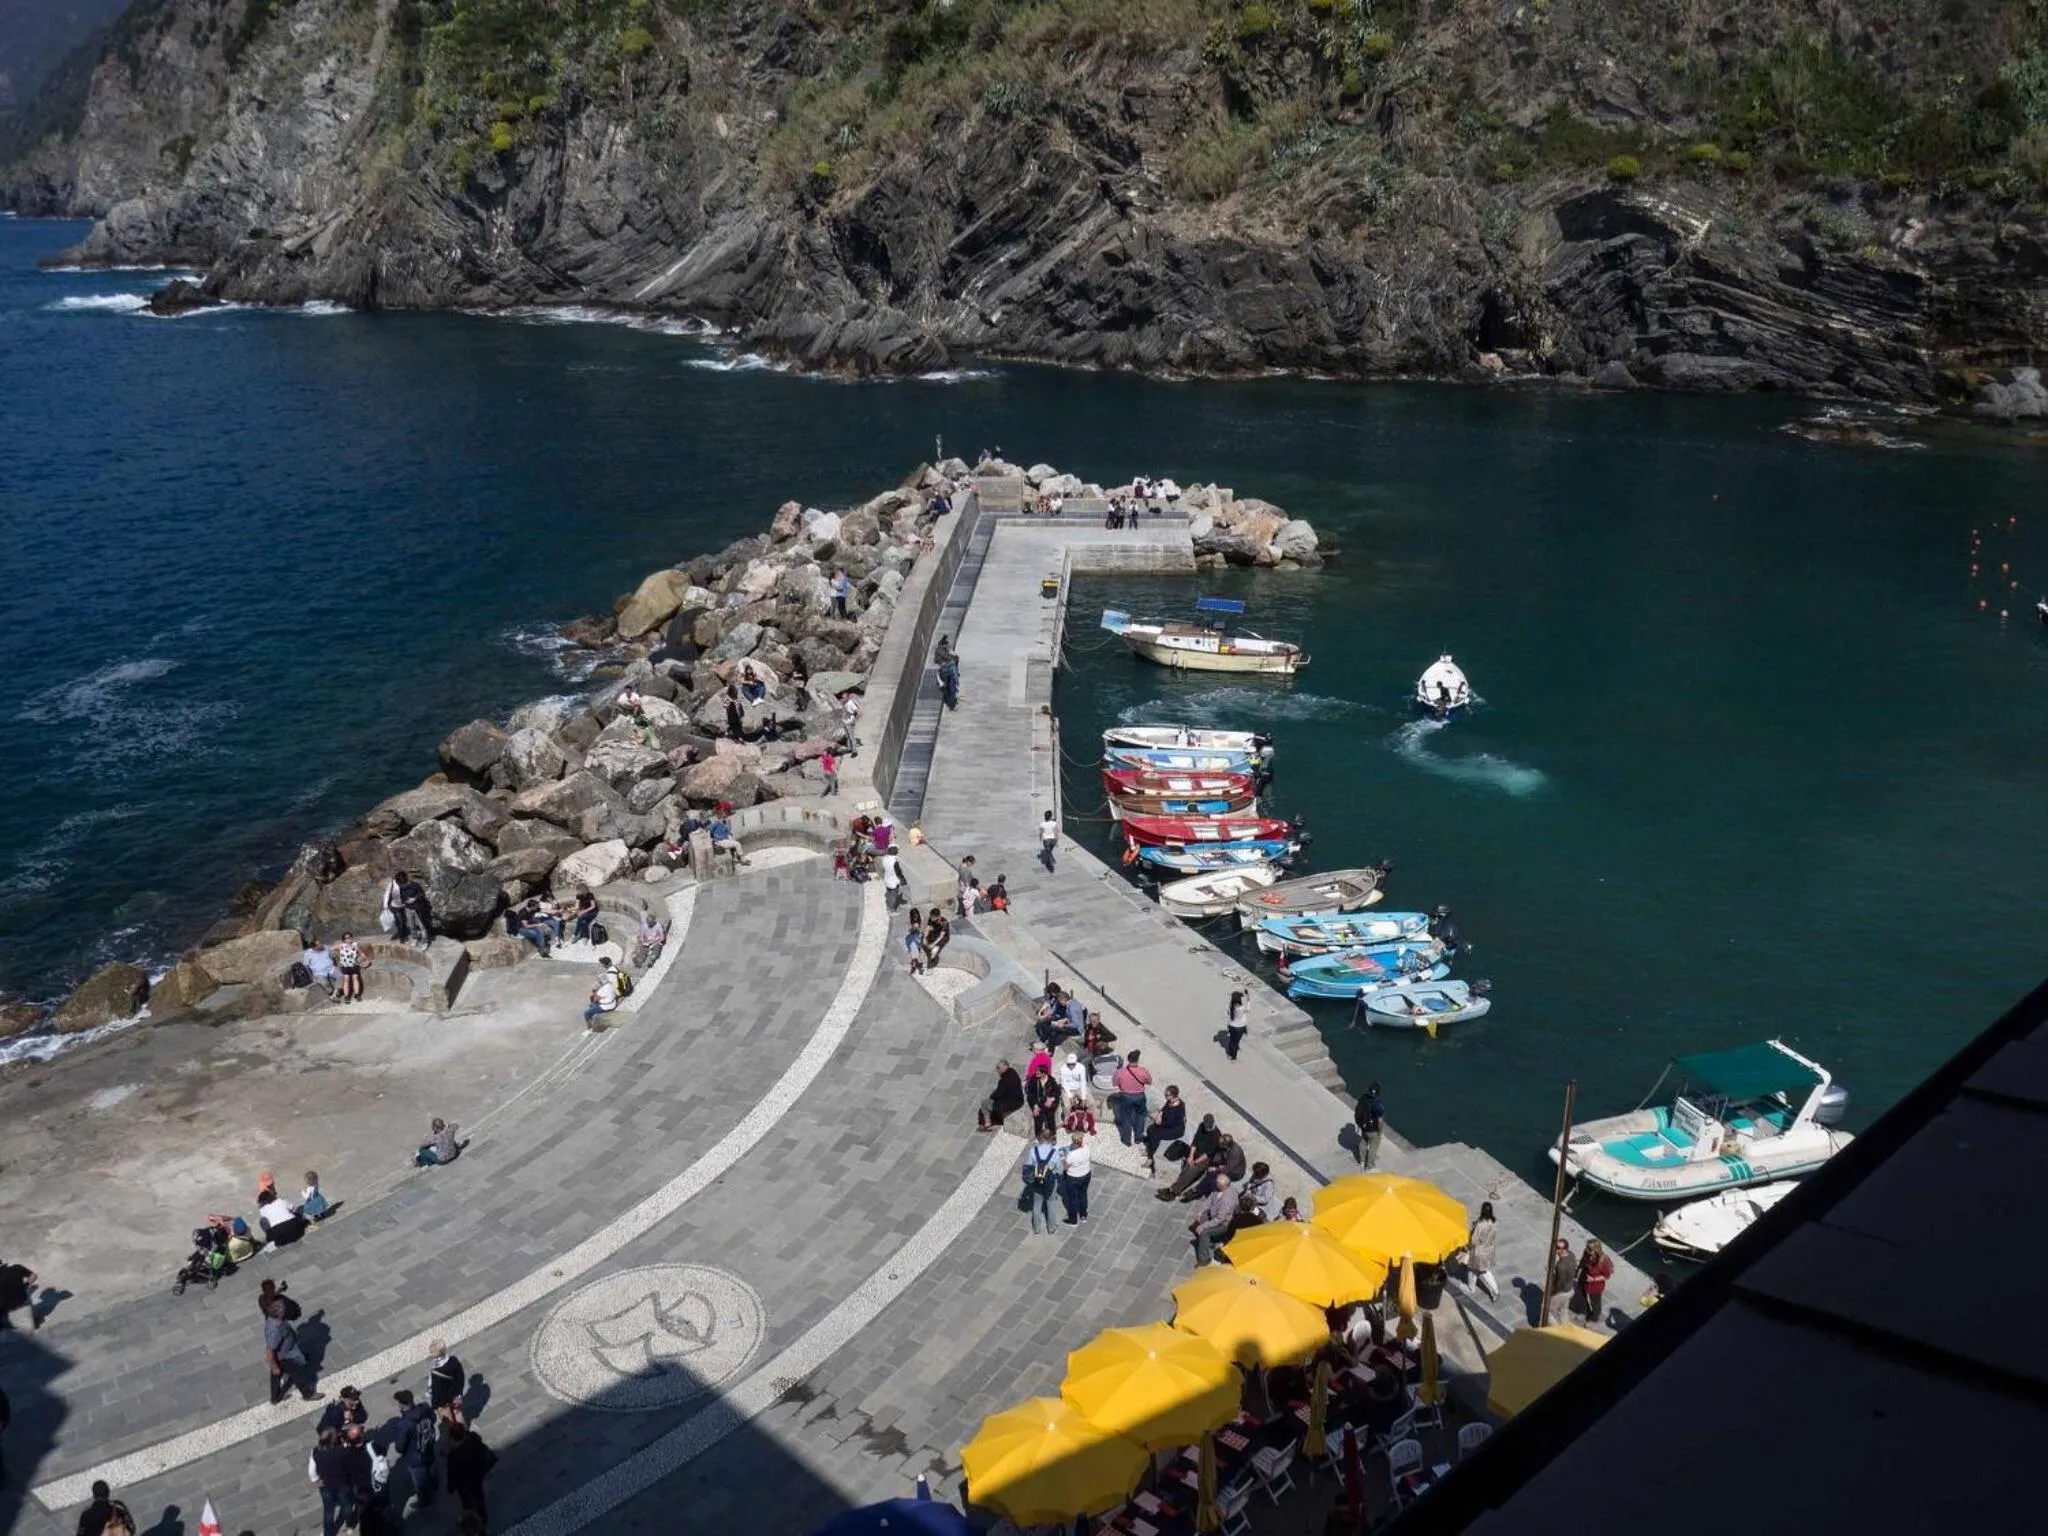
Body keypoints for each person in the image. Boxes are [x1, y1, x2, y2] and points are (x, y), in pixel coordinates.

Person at [264, 1298, 323, 1405]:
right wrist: (274, 1365)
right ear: (280, 1315)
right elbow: (269, 1350)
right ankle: (308, 1394)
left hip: (284, 1354)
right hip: (286, 1357)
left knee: (276, 1376)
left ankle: (275, 1397)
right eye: (284, 1311)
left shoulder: (272, 1317)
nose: (286, 1311)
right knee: (297, 1374)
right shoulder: (276, 1330)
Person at [443, 1419, 496, 1531]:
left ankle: (470, 1520)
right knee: (478, 1497)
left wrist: (450, 1489)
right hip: (477, 1476)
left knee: (467, 1501)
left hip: (465, 1483)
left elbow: (452, 1475)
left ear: (453, 1439)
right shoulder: (473, 1438)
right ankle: (482, 1517)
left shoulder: (454, 1457)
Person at [1158, 1114, 1224, 1200]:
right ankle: (1173, 1188)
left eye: (1208, 1126)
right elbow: (1195, 1141)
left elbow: (1207, 1154)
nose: (1206, 1128)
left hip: (1205, 1158)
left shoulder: (1217, 1135)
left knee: (1190, 1172)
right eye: (1205, 1125)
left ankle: (1173, 1192)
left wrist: (1195, 1161)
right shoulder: (1201, 1126)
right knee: (1186, 1169)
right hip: (1197, 1152)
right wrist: (1190, 1156)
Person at [394, 1388, 439, 1512]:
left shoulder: (404, 1424)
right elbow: (434, 1419)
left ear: (402, 1404)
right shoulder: (424, 1407)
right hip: (429, 1446)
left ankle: (425, 1500)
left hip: (415, 1457)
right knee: (432, 1468)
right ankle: (435, 1485)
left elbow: (400, 1447)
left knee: (419, 1481)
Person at [1021, 1129, 1062, 1236]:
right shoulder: (1054, 1153)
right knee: (1050, 1203)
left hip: (1037, 1181)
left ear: (1041, 1137)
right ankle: (1051, 1228)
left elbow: (1028, 1166)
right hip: (1050, 1181)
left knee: (1037, 1204)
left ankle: (1036, 1228)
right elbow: (1059, 1169)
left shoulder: (1033, 1151)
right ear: (1050, 1139)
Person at [1191, 1173, 1237, 1265]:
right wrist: (1201, 1211)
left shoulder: (1226, 1201)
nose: (1215, 1184)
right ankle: (1209, 1242)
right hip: (1214, 1215)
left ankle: (1204, 1259)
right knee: (1200, 1220)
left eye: (1217, 1183)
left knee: (1204, 1232)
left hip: (1223, 1224)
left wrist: (1204, 1226)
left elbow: (1219, 1219)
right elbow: (1210, 1200)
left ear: (1223, 1186)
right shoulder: (1218, 1189)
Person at [1110, 1049, 1153, 1146]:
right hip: (1140, 1096)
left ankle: (1127, 1140)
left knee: (1126, 1118)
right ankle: (1138, 1137)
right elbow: (1149, 1081)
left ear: (1128, 1059)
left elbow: (1114, 1083)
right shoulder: (1143, 1071)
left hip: (1125, 1096)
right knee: (1141, 1116)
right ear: (1137, 1060)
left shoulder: (1120, 1072)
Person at [1142, 1085, 1187, 1173]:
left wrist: (1158, 1121)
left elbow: (1169, 1123)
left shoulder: (1178, 1107)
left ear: (1173, 1096)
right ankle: (1150, 1147)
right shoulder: (1170, 1101)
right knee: (1150, 1129)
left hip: (1174, 1130)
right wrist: (1159, 1114)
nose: (1165, 1096)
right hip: (1166, 1124)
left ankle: (1150, 1158)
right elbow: (1164, 1108)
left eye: (1167, 1095)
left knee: (1155, 1135)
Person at [976, 1059, 1025, 1131]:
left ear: (1005, 1066)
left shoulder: (1005, 1080)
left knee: (985, 1104)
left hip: (1012, 1103)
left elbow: (998, 1094)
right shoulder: (1013, 1072)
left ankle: (987, 1124)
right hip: (1019, 1099)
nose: (997, 1070)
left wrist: (992, 1096)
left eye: (998, 1068)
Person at [1465, 1200, 1500, 1301]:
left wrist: (1467, 1247)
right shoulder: (1494, 1222)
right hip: (1488, 1250)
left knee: (1478, 1270)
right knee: (1479, 1270)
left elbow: (1474, 1240)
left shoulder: (1480, 1225)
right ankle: (1474, 1287)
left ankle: (1473, 1288)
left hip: (1478, 1252)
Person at [428, 1342, 467, 1430]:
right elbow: (461, 1377)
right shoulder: (454, 1360)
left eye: (432, 1351)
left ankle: (455, 1438)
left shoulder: (437, 1370)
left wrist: (436, 1404)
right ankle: (465, 1433)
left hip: (443, 1400)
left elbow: (437, 1390)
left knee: (449, 1422)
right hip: (456, 1395)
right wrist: (459, 1393)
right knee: (458, 1413)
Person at [1577, 1237, 1615, 1323]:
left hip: (1595, 1286)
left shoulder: (1603, 1260)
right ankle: (1587, 1311)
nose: (1586, 1250)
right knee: (1584, 1297)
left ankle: (1594, 1318)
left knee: (1595, 1303)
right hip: (1584, 1280)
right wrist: (1578, 1268)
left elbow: (1606, 1276)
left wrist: (1593, 1279)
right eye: (1587, 1247)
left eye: (1589, 1249)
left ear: (1596, 1249)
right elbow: (1583, 1261)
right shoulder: (1586, 1253)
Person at [1060, 1131, 1093, 1224]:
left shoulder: (1071, 1155)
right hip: (1086, 1174)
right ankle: (1083, 1215)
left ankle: (1073, 1220)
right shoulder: (1087, 1148)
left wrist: (1062, 1158)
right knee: (1083, 1194)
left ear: (1074, 1142)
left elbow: (1065, 1167)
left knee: (1072, 1198)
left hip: (1074, 1178)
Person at [397, 870, 432, 950]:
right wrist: (403, 902)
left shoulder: (415, 885)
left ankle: (425, 941)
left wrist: (415, 899)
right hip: (408, 908)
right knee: (411, 925)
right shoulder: (400, 888)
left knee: (422, 925)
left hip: (418, 908)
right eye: (401, 884)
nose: (402, 885)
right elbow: (400, 897)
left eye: (403, 883)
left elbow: (422, 894)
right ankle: (415, 938)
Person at [1025, 1062, 1061, 1139]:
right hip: (1038, 1103)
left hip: (1049, 1103)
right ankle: (1038, 1134)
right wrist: (1035, 1105)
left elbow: (1058, 1092)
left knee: (1050, 1118)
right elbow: (1030, 1094)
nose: (1036, 1073)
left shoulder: (1051, 1081)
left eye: (1038, 1072)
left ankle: (1053, 1134)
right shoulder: (1034, 1080)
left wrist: (1051, 1099)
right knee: (1038, 1118)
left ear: (1044, 1074)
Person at [1354, 1082, 1385, 1169]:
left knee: (1363, 1141)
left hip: (1363, 1126)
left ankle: (1362, 1160)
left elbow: (1358, 1110)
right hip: (1373, 1129)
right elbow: (1380, 1120)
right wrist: (1380, 1131)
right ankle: (1370, 1166)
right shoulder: (1377, 1104)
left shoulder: (1362, 1099)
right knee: (1373, 1147)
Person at [1546, 1239, 1577, 1326]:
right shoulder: (1571, 1255)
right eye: (1555, 1246)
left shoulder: (1561, 1266)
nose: (1555, 1249)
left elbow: (1560, 1284)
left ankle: (1555, 1330)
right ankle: (1565, 1326)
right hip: (1570, 1289)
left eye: (1558, 1248)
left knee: (1549, 1311)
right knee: (1563, 1309)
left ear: (1564, 1249)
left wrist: (1552, 1293)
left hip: (1562, 1292)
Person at [0, 1258, 36, 1331]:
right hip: (21, 1302)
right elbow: (33, 1276)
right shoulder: (17, 1267)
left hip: (4, 1307)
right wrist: (26, 1285)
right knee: (27, 1292)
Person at [334, 931, 366, 1003]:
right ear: (344, 940)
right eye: (346, 938)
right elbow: (332, 949)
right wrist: (338, 958)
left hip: (354, 965)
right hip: (345, 966)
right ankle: (347, 996)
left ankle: (357, 995)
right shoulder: (341, 946)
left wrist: (360, 959)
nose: (348, 939)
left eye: (350, 937)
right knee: (346, 979)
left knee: (355, 978)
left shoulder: (355, 944)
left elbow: (361, 954)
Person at [633, 904, 667, 969]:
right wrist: (642, 939)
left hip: (655, 942)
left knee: (656, 949)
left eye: (650, 923)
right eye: (648, 923)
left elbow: (662, 937)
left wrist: (655, 940)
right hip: (647, 941)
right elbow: (642, 934)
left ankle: (651, 961)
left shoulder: (658, 926)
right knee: (643, 949)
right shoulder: (645, 925)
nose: (648, 925)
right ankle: (640, 961)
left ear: (653, 922)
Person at [1223, 989, 1249, 1061]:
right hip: (1239, 1027)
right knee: (1236, 1041)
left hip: (1231, 1025)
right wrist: (1248, 999)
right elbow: (1248, 1009)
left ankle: (1230, 1052)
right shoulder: (1241, 1008)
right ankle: (1233, 1057)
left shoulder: (1230, 1005)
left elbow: (1227, 1013)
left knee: (1232, 1039)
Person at [878, 843, 904, 909]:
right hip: (894, 881)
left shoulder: (885, 859)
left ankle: (888, 904)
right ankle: (892, 909)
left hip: (887, 879)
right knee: (893, 896)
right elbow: (899, 872)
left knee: (889, 893)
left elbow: (882, 869)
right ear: (895, 851)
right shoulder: (895, 861)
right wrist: (902, 880)